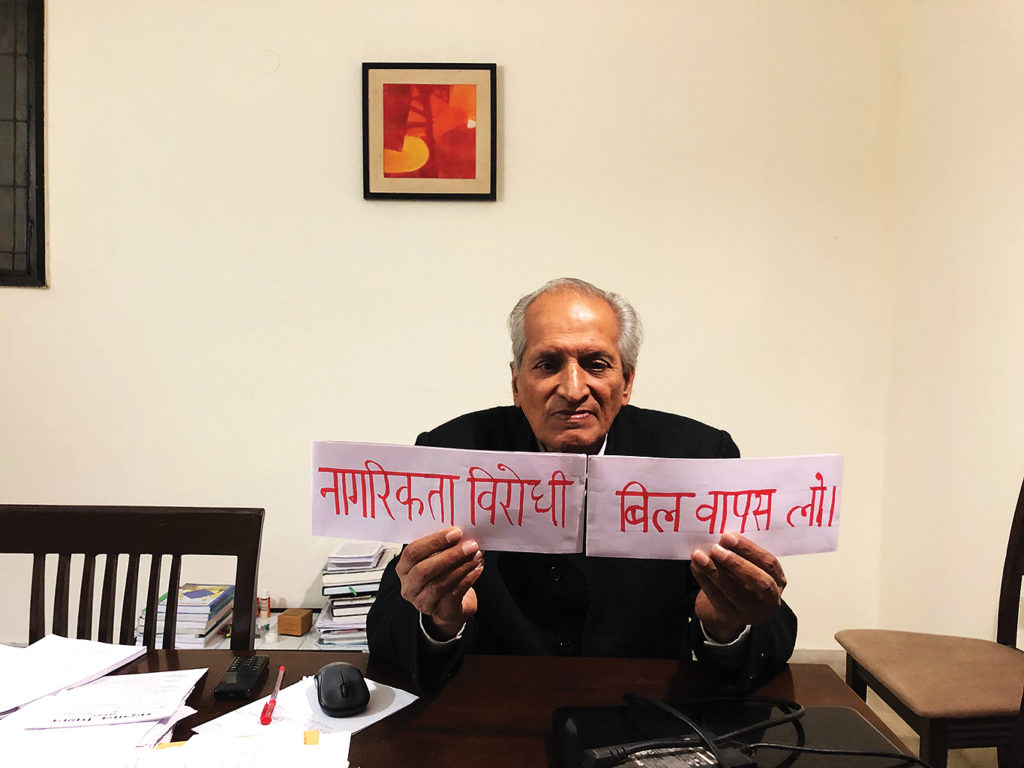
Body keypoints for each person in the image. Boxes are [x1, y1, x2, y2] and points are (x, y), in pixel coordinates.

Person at [366, 278, 796, 692]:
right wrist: (439, 621)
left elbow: (771, 636)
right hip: (491, 708)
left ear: (626, 382)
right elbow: (386, 634)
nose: (573, 390)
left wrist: (727, 625)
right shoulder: (450, 454)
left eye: (596, 364)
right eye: (548, 364)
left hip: (648, 711)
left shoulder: (700, 457)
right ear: (516, 383)